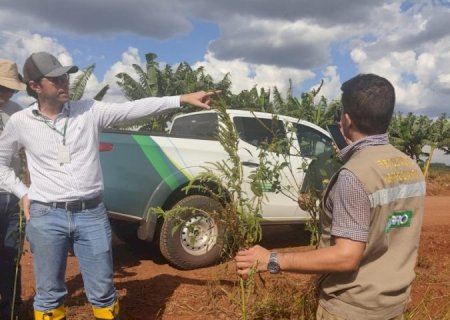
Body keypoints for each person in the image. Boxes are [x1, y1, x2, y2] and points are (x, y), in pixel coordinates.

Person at [0, 51, 218, 320]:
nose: (64, 83)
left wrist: (180, 99)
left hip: (90, 214)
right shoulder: (21, 122)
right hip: (46, 216)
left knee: (103, 292)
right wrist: (23, 192)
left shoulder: (89, 111)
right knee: (48, 295)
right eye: (55, 79)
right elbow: (1, 162)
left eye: (66, 77)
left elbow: (133, 109)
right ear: (35, 86)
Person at [235, 74, 426, 320]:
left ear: (346, 120)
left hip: (353, 308)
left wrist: (272, 259)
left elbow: (346, 257)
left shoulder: (355, 175)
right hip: (394, 304)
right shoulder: (411, 167)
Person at [0, 59, 26, 320]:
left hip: (13, 197)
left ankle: (12, 309)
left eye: (9, 89)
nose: (5, 94)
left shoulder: (18, 113)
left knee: (11, 257)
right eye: (0, 88)